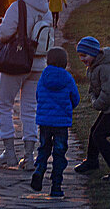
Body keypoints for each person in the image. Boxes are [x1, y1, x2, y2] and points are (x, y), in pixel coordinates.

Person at [0, 0, 54, 169]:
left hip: (16, 63)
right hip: (38, 64)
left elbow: (3, 33)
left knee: (4, 104)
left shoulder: (17, 6)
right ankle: (29, 157)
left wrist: (4, 28)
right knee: (29, 109)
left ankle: (9, 153)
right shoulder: (45, 8)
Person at [73, 35, 110, 181]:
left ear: (94, 53)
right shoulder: (93, 67)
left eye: (85, 55)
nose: (82, 59)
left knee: (99, 136)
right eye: (80, 56)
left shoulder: (106, 68)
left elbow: (109, 92)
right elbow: (94, 88)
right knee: (95, 131)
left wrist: (97, 104)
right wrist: (95, 99)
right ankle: (92, 161)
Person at [30, 47, 80, 197]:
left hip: (45, 122)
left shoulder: (44, 76)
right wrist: (69, 107)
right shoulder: (67, 78)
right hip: (61, 124)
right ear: (65, 62)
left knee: (44, 148)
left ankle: (39, 169)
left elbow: (38, 96)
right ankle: (56, 185)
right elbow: (75, 98)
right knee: (59, 153)